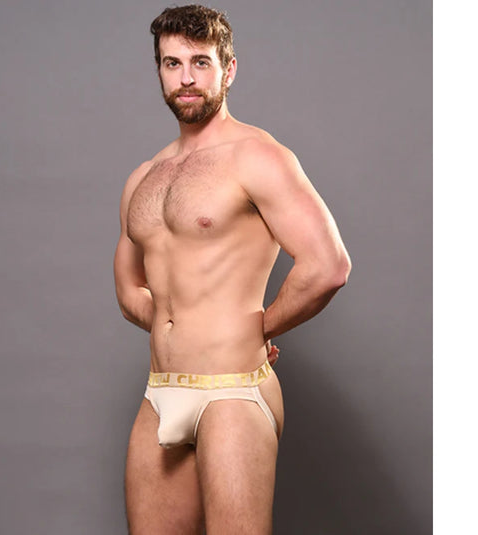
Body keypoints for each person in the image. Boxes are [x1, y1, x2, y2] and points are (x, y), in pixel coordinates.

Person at [113, 5, 351, 534]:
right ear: (159, 71)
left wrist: (257, 328)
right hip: (160, 390)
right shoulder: (143, 178)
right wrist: (176, 325)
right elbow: (129, 287)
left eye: (201, 62)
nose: (187, 78)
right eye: (173, 64)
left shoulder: (257, 157)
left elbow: (329, 266)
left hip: (233, 390)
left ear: (229, 69)